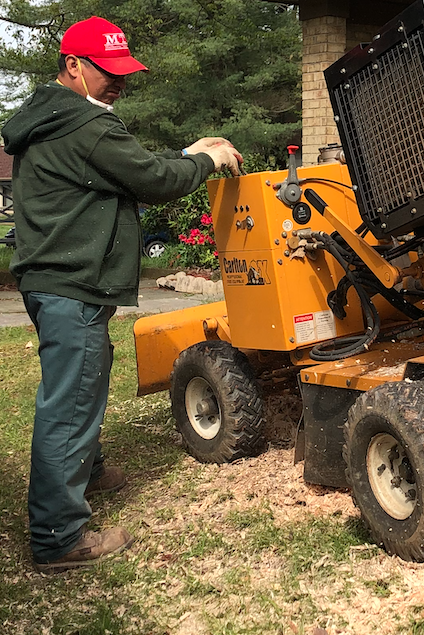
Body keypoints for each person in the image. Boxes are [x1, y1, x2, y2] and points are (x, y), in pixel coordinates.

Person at [1, 16, 243, 572]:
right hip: (71, 283)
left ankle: (85, 472)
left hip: (52, 281)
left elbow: (122, 172)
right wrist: (207, 159)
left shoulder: (53, 119)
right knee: (70, 400)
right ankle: (59, 537)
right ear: (73, 66)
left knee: (84, 377)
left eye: (124, 72)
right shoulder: (85, 125)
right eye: (107, 72)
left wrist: (186, 152)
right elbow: (153, 181)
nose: (118, 82)